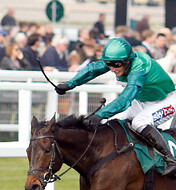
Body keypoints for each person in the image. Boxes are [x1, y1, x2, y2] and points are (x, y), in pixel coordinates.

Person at [55, 38, 176, 174]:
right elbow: (92, 69)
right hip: (143, 100)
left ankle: (170, 159)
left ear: (128, 61)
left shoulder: (139, 67)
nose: (112, 69)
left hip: (167, 100)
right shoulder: (119, 61)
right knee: (113, 122)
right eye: (109, 64)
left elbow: (125, 99)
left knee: (139, 122)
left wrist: (100, 114)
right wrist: (69, 84)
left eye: (116, 65)